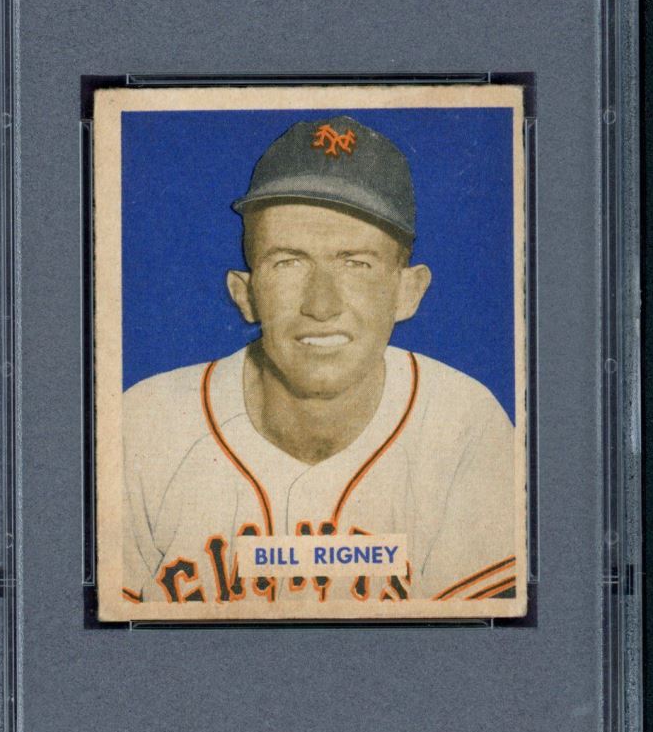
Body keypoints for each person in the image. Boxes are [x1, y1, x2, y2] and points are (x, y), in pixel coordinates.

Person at [120, 115, 521, 615]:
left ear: (408, 292)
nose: (322, 305)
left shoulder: (463, 425)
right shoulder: (146, 426)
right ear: (244, 294)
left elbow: (480, 655)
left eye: (357, 263)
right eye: (288, 262)